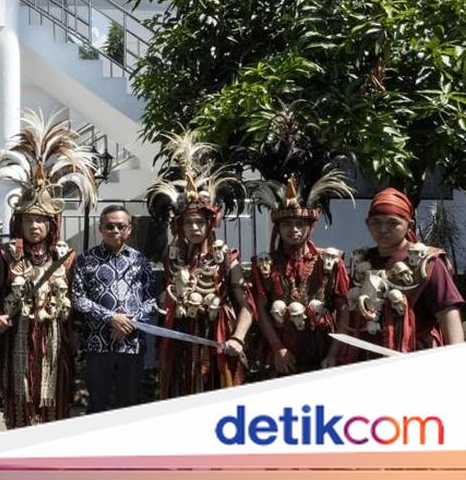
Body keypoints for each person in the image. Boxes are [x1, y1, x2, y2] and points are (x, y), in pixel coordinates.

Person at [0, 108, 97, 428]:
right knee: (20, 400)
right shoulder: (5, 255)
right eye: (29, 220)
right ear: (19, 222)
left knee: (55, 402)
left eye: (40, 220)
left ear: (51, 224)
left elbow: (78, 301)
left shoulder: (68, 257)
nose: (34, 227)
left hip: (55, 342)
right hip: (17, 339)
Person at [142, 134, 253, 396]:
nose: (194, 227)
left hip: (217, 336)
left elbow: (247, 305)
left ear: (210, 225)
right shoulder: (172, 256)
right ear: (179, 225)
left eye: (200, 222)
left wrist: (238, 338)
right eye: (188, 222)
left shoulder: (226, 257)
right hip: (180, 338)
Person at [250, 170, 355, 375]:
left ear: (311, 227)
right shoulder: (266, 263)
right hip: (281, 353)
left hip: (322, 350)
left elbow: (344, 310)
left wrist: (334, 354)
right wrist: (277, 348)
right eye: (287, 224)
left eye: (300, 224)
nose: (294, 230)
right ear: (278, 227)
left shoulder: (330, 261)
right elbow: (260, 309)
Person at [345, 188, 464, 353]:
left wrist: (456, 358)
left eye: (393, 222)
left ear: (409, 225)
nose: (383, 229)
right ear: (367, 223)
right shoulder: (362, 261)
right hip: (368, 354)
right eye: (376, 222)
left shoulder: (427, 263)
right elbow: (349, 310)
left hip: (417, 354)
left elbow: (447, 312)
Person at [72, 204, 160, 411]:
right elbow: (78, 298)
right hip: (98, 345)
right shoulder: (85, 260)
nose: (116, 231)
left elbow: (151, 301)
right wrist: (111, 318)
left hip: (131, 345)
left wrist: (128, 322)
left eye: (121, 226)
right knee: (98, 405)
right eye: (110, 226)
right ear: (100, 229)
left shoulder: (140, 261)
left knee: (128, 404)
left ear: (129, 229)